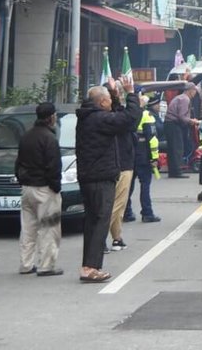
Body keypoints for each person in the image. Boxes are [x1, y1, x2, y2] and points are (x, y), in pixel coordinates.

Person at [76, 76, 142, 283]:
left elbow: (118, 118)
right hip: (100, 176)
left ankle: (88, 265)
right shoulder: (98, 119)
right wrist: (131, 93)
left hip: (90, 175)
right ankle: (90, 267)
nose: (110, 104)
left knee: (93, 221)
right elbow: (130, 120)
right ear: (102, 102)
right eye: (108, 100)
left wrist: (116, 95)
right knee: (100, 221)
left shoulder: (89, 116)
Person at [15, 102, 63, 276]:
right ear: (51, 117)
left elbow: (18, 163)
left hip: (27, 188)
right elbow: (53, 167)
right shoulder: (49, 138)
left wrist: (22, 180)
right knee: (49, 228)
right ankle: (46, 266)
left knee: (27, 229)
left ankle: (26, 264)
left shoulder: (27, 136)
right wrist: (55, 187)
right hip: (45, 189)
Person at [107, 81, 138, 252]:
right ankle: (99, 236)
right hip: (121, 164)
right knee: (117, 203)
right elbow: (132, 118)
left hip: (114, 162)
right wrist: (131, 93)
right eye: (117, 92)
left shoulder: (101, 114)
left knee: (118, 204)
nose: (120, 94)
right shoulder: (112, 117)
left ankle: (116, 238)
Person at [123, 94, 161, 224]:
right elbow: (153, 139)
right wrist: (154, 158)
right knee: (145, 185)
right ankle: (147, 213)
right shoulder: (146, 116)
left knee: (128, 185)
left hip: (128, 154)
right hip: (143, 155)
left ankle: (126, 212)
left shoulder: (126, 114)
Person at [163, 82, 200, 178]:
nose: (195, 93)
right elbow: (182, 116)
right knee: (177, 148)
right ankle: (177, 171)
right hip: (173, 124)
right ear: (191, 90)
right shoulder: (185, 99)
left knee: (172, 148)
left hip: (169, 124)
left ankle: (173, 171)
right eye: (195, 90)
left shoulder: (180, 97)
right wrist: (192, 121)